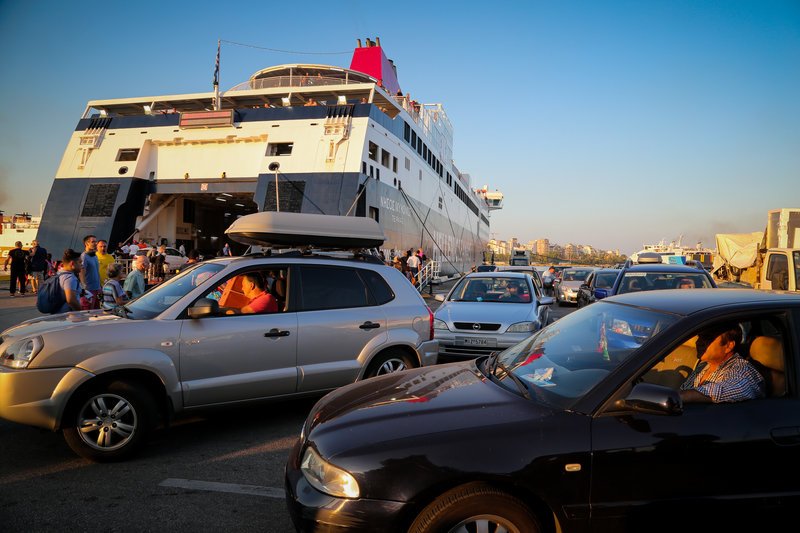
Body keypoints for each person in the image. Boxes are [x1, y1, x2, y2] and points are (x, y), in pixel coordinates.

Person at [679, 324, 765, 403]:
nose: (698, 342)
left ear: (728, 346)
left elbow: (737, 388)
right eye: (700, 337)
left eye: (707, 338)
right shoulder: (703, 365)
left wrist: (680, 396)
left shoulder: (741, 368)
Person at [57, 249, 83, 313]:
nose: (82, 265)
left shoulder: (59, 273)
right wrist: (81, 311)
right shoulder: (70, 278)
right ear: (72, 263)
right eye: (80, 262)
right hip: (69, 315)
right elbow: (71, 300)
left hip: (58, 313)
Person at [79, 235, 101, 309]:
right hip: (89, 290)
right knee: (89, 313)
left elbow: (96, 272)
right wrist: (85, 289)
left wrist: (99, 286)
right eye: (93, 242)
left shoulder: (95, 256)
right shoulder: (84, 256)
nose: (95, 244)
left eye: (96, 242)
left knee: (97, 312)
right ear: (86, 243)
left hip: (96, 288)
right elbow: (81, 273)